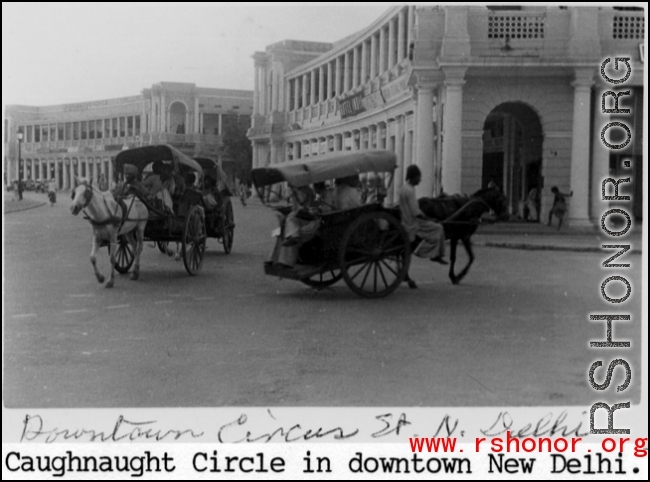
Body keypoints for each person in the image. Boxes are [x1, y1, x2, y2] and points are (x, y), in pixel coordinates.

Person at [399, 165, 447, 265]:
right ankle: (435, 254)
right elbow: (415, 211)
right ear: (414, 177)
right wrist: (429, 219)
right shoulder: (410, 190)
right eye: (418, 177)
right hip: (413, 224)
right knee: (439, 228)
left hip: (405, 220)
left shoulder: (403, 188)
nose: (420, 180)